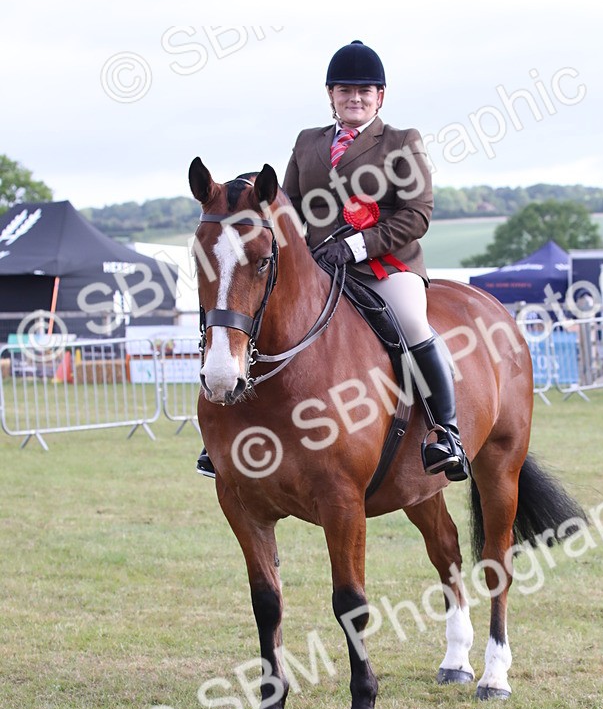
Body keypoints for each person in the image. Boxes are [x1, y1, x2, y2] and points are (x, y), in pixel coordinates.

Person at [197, 40, 468, 482]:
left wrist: (358, 246)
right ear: (331, 96)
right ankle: (224, 438)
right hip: (320, 268)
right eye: (345, 90)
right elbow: (283, 207)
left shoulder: (402, 142)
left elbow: (416, 214)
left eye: (365, 91)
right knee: (255, 320)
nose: (355, 98)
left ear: (380, 97)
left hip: (385, 268)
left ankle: (445, 431)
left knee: (412, 323)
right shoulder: (307, 143)